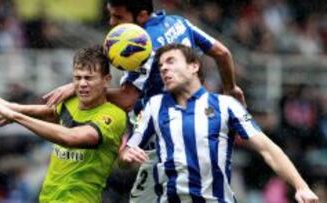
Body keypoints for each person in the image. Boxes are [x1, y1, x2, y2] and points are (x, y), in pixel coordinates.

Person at [43, 0, 244, 202]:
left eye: (119, 17)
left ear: (141, 15)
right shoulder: (178, 23)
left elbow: (126, 98)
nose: (112, 22)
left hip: (160, 141)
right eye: (110, 15)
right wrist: (231, 88)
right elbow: (222, 52)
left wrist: (80, 88)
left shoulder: (143, 44)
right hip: (186, 132)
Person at [120, 44, 319, 203]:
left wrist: (301, 187)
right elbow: (127, 154)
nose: (164, 68)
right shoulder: (154, 106)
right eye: (161, 65)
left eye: (171, 61)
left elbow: (267, 148)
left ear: (193, 66)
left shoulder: (226, 105)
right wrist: (125, 156)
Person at [0, 46, 127, 203]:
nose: (82, 84)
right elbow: (51, 112)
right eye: (77, 78)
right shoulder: (71, 103)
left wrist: (16, 116)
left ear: (106, 80)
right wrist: (15, 107)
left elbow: (71, 137)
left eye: (89, 78)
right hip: (48, 198)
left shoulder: (114, 116)